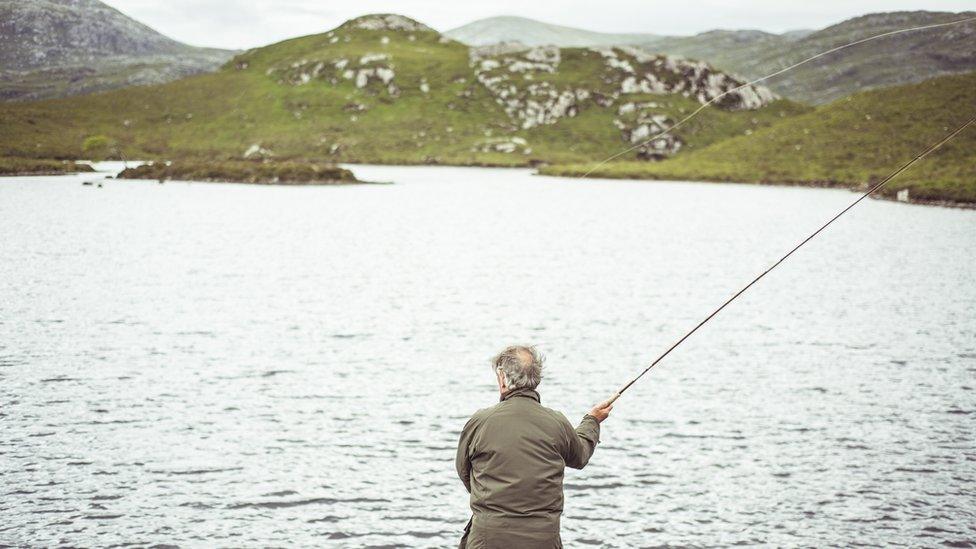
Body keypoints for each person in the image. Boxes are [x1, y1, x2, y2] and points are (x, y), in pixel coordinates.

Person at [455, 345, 613, 548]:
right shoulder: (557, 422)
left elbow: (464, 470)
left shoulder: (480, 421)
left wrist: (491, 497)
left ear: (502, 379)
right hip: (543, 539)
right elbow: (580, 455)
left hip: (488, 538)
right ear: (536, 379)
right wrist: (592, 420)